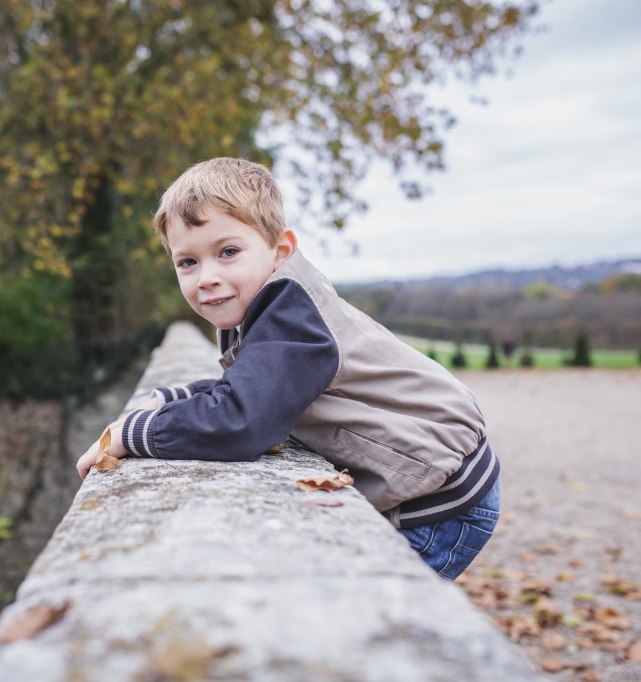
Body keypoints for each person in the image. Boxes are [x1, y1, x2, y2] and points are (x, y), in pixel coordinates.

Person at [76, 157, 500, 580]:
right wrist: (179, 397)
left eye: (228, 252)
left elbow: (242, 421)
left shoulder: (291, 314)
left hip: (439, 504)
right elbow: (257, 386)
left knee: (356, 614)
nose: (206, 277)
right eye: (188, 262)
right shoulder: (256, 306)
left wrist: (133, 435)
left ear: (280, 251)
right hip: (440, 481)